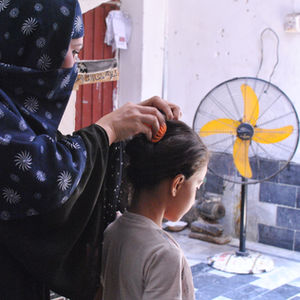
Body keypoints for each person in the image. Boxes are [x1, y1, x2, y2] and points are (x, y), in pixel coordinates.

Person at [0, 1, 180, 299]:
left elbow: (48, 150)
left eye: (78, 52)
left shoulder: (16, 109)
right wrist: (107, 130)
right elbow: (43, 173)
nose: (71, 65)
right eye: (67, 50)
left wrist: (122, 126)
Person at [101, 120, 209, 300]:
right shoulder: (164, 253)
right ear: (177, 184)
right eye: (197, 185)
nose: (196, 194)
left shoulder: (113, 230)